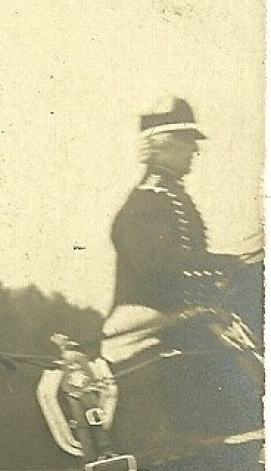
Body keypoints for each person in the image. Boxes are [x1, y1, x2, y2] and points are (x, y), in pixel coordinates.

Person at [103, 95, 260, 363]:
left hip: (179, 316)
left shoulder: (171, 196)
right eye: (187, 141)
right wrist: (228, 266)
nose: (193, 150)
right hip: (146, 323)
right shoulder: (144, 203)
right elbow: (161, 266)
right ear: (165, 144)